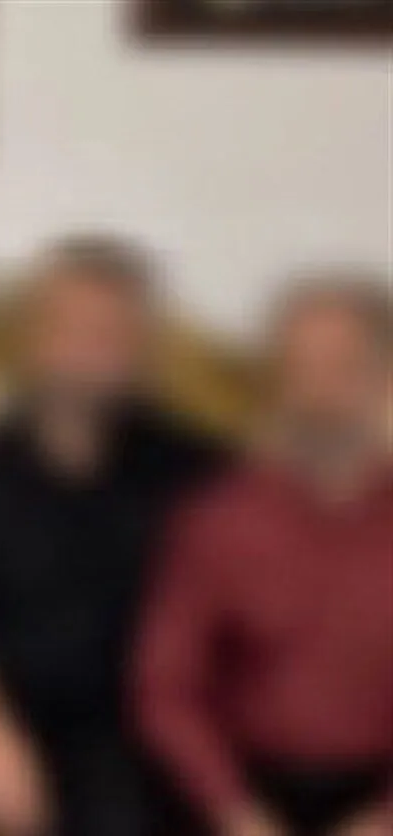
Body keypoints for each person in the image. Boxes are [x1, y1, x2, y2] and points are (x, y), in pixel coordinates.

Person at [0, 236, 225, 836]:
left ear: (143, 349)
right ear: (35, 338)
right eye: (72, 329)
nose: (88, 353)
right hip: (3, 727)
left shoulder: (198, 474)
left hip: (137, 744)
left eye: (110, 333)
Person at [135, 276, 393, 836]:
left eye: (342, 368)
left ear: (383, 379)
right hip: (240, 797)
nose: (320, 394)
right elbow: (166, 687)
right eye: (300, 370)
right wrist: (234, 810)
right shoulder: (216, 522)